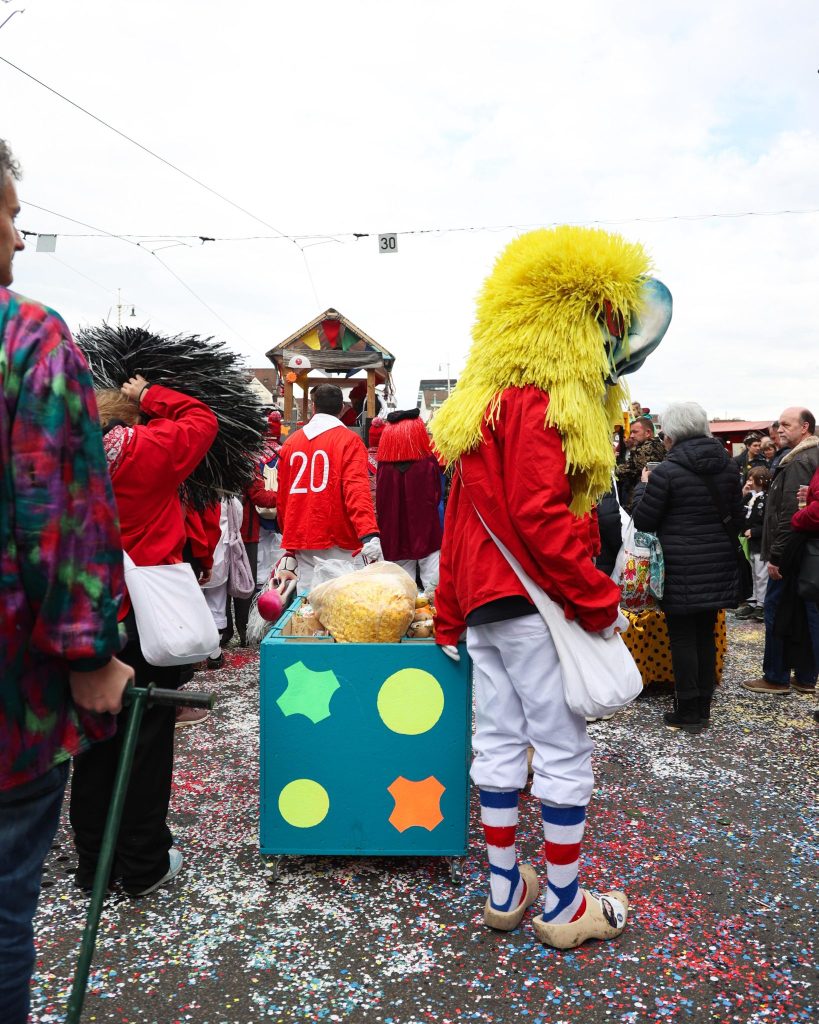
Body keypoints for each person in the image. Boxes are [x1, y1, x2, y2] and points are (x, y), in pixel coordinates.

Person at [431, 225, 673, 950]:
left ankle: (505, 890)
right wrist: (596, 599)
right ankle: (564, 905)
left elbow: (459, 524)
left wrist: (449, 613)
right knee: (561, 749)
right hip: (532, 605)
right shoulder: (538, 402)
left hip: (484, 607)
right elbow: (539, 515)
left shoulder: (480, 409)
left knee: (498, 742)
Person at [0, 139, 132, 1024]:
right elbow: (60, 511)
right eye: (10, 214)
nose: (18, 238)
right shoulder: (27, 336)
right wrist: (91, 654)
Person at [69, 374, 218, 896]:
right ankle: (143, 861)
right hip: (146, 620)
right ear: (129, 419)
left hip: (86, 616)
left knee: (93, 743)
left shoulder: (65, 459)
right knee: (147, 741)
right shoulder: (144, 449)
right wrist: (150, 394)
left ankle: (94, 862)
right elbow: (202, 419)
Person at [632, 402, 744, 730]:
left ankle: (687, 709)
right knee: (706, 635)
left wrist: (642, 486)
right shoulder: (728, 467)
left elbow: (644, 520)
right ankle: (704, 707)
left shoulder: (666, 472)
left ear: (672, 433)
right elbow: (738, 519)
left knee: (682, 637)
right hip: (718, 563)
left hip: (679, 565)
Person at [276, 383, 381, 592]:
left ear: (313, 407)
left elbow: (283, 496)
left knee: (308, 600)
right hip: (340, 535)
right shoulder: (350, 440)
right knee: (344, 600)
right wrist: (368, 533)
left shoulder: (291, 443)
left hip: (303, 535)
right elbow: (356, 491)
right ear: (342, 408)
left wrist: (288, 535)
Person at [742, 408, 819, 696]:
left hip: (792, 551)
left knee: (778, 610)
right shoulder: (803, 456)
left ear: (805, 427)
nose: (779, 429)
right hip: (804, 551)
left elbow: (789, 514)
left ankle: (776, 676)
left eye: (787, 424)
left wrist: (777, 556)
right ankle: (806, 676)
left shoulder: (800, 459)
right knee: (803, 613)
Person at [376, 408, 443, 590]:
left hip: (395, 534)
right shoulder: (428, 463)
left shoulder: (384, 466)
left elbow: (380, 502)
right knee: (433, 586)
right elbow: (437, 495)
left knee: (401, 589)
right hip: (427, 532)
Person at [735, 466, 771, 621]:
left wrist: (755, 531)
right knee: (753, 573)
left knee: (761, 574)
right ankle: (753, 601)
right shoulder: (750, 496)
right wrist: (743, 493)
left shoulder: (767, 498)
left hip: (761, 542)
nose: (749, 482)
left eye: (751, 479)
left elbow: (769, 523)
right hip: (749, 542)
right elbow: (740, 511)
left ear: (760, 481)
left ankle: (762, 604)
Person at [615, 415, 666, 509]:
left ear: (648, 433)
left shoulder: (643, 450)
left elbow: (622, 472)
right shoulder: (659, 445)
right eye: (631, 432)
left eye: (635, 432)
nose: (631, 436)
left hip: (641, 500)